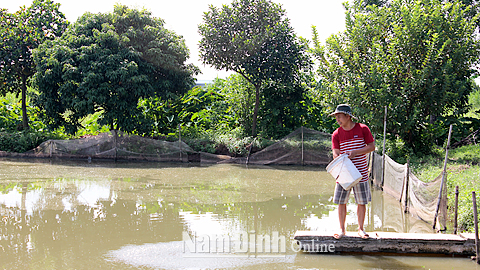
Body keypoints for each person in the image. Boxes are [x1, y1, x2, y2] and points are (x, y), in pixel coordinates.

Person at [329, 104, 375, 239]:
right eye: (336, 117)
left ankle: (361, 229)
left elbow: (371, 147)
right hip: (344, 174)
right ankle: (342, 230)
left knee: (361, 202)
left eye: (339, 117)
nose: (338, 120)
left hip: (361, 173)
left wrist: (355, 153)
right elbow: (335, 153)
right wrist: (340, 159)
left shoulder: (363, 129)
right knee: (341, 202)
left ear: (348, 116)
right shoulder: (336, 134)